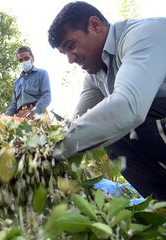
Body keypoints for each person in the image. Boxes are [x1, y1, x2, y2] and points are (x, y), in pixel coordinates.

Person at [48, 1, 166, 200]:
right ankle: (161, 205)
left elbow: (129, 107)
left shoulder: (144, 34)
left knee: (128, 120)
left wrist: (51, 150)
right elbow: (80, 123)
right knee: (107, 133)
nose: (70, 59)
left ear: (95, 24)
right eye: (64, 53)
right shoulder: (94, 76)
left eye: (71, 46)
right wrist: (43, 140)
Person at [5, 46, 51, 120]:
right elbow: (14, 106)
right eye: (20, 60)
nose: (23, 62)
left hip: (38, 115)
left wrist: (34, 112)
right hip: (20, 117)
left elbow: (46, 96)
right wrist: (2, 117)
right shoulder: (17, 82)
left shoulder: (42, 74)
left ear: (32, 57)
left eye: (26, 58)